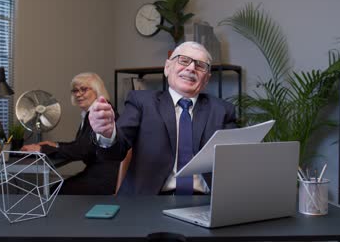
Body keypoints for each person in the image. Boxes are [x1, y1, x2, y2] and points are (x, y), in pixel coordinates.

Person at [89, 41, 237, 195]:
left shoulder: (222, 110)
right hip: (149, 201)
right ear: (167, 68)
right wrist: (107, 134)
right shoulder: (141, 102)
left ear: (206, 79)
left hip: (204, 201)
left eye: (200, 66)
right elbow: (116, 150)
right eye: (184, 60)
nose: (191, 68)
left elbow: (234, 160)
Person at [21, 72, 120, 195]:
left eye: (83, 89)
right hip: (98, 173)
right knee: (55, 189)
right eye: (75, 90)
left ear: (97, 90)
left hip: (105, 178)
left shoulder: (101, 113)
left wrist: (42, 149)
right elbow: (82, 144)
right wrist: (55, 145)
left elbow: (83, 150)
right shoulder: (95, 111)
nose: (78, 94)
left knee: (54, 191)